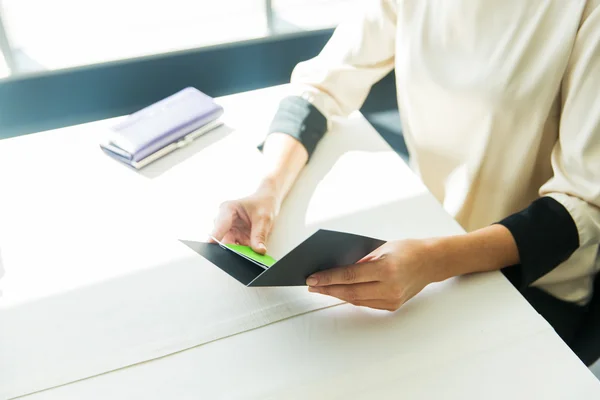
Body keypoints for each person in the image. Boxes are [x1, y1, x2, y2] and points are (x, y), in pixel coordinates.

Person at [211, 0, 600, 364]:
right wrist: (268, 188)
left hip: (531, 278)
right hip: (428, 240)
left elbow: (581, 204)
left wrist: (434, 260)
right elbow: (321, 86)